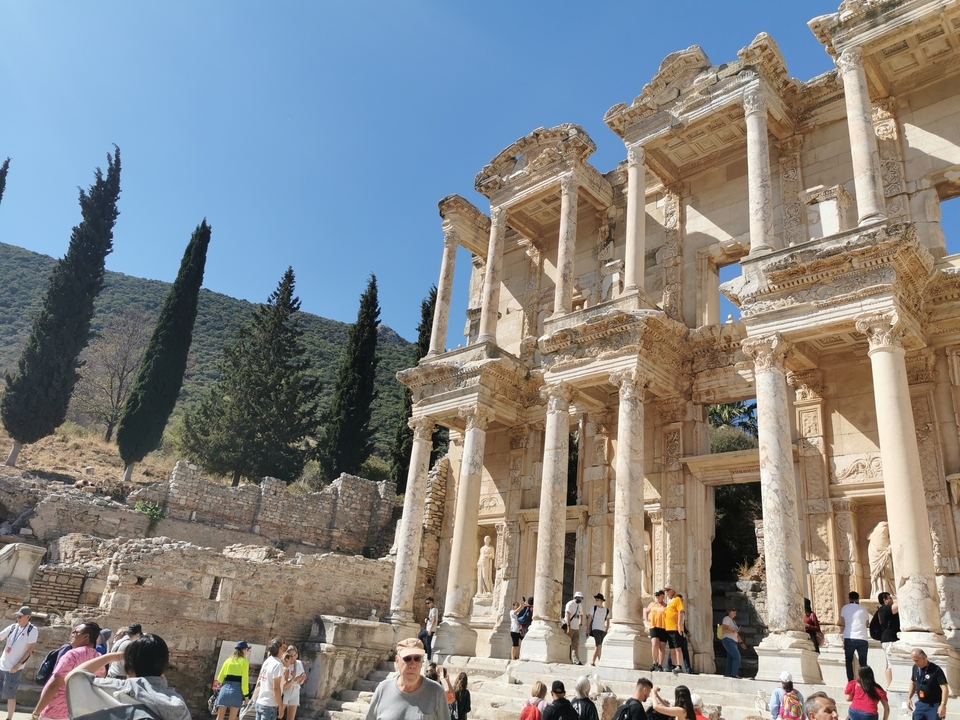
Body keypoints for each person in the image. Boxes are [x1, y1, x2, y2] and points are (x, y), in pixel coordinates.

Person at [66, 632, 190, 720]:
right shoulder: (178, 704)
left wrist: (112, 656)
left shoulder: (115, 689)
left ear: (129, 668)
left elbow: (72, 677)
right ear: (164, 668)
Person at [32, 621, 103, 720]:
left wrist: (36, 712)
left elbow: (54, 685)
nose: (72, 635)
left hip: (54, 710)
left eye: (76, 632)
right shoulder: (98, 658)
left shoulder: (72, 655)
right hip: (76, 710)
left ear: (86, 636)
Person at [365, 638, 448, 720]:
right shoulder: (382, 689)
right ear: (397, 661)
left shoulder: (437, 692)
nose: (412, 664)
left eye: (417, 658)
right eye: (407, 658)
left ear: (422, 661)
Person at [0, 605, 37, 720]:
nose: (18, 619)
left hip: (13, 668)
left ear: (28, 617)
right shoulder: (13, 627)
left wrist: (18, 664)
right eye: (17, 616)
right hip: (2, 665)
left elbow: (30, 650)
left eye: (20, 616)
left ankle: (9, 718)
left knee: (10, 695)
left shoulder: (32, 630)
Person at [214, 640, 251, 720]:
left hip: (224, 690)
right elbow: (245, 680)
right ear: (244, 650)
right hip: (236, 691)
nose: (247, 652)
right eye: (247, 649)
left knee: (219, 717)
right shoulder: (244, 662)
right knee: (232, 718)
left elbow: (220, 678)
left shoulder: (228, 660)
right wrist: (246, 696)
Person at [907, 648, 948, 720]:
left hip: (934, 705)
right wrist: (909, 698)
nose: (915, 662)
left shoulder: (936, 669)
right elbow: (913, 683)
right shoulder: (915, 668)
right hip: (921, 703)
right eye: (913, 660)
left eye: (916, 660)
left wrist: (943, 705)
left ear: (924, 657)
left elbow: (944, 688)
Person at [839, 591, 869, 682]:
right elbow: (867, 624)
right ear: (858, 598)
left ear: (849, 598)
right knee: (863, 662)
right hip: (862, 637)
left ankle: (850, 681)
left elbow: (842, 621)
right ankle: (864, 680)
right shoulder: (863, 609)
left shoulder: (844, 608)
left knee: (848, 661)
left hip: (849, 636)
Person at [255, 637, 287, 720]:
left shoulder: (267, 661)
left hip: (260, 702)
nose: (286, 645)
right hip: (270, 704)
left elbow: (259, 680)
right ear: (280, 648)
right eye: (284, 643)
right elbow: (276, 688)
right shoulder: (278, 664)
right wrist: (280, 706)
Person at [875, 593, 900, 686]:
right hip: (889, 639)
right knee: (890, 663)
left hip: (891, 639)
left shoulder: (884, 609)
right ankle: (890, 685)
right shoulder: (885, 609)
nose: (892, 599)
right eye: (890, 598)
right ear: (885, 600)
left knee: (891, 662)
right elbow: (899, 604)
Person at [663, 585, 685, 674]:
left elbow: (680, 612)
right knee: (672, 648)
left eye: (668, 591)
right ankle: (673, 665)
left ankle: (679, 665)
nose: (666, 593)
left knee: (677, 647)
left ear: (672, 591)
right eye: (665, 591)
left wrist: (679, 625)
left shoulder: (677, 599)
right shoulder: (669, 602)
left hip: (675, 627)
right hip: (668, 628)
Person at [645, 590, 668, 672]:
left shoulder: (666, 606)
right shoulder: (652, 604)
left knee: (662, 647)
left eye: (659, 595)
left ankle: (660, 664)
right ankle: (654, 662)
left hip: (663, 627)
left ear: (663, 596)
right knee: (654, 644)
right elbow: (646, 612)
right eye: (656, 595)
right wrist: (647, 621)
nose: (657, 597)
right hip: (654, 627)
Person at [281, 646, 305, 720]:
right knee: (280, 714)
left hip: (296, 689)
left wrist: (301, 679)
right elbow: (283, 680)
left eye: (295, 655)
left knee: (291, 717)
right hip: (287, 689)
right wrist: (294, 679)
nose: (293, 658)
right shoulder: (285, 663)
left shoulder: (299, 663)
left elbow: (301, 679)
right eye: (291, 656)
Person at [585, 594, 609, 666]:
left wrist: (607, 629)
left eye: (598, 600)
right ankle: (597, 661)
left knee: (599, 645)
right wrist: (587, 629)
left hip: (602, 629)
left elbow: (607, 620)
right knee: (599, 645)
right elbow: (589, 619)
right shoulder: (593, 608)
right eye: (596, 600)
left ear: (602, 601)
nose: (597, 601)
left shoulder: (606, 610)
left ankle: (595, 661)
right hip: (595, 628)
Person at [720, 606, 744, 678]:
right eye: (733, 610)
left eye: (735, 610)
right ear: (728, 611)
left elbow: (736, 634)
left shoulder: (732, 621)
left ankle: (728, 674)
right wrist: (733, 631)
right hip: (728, 640)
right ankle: (734, 673)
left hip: (732, 641)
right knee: (737, 657)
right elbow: (724, 629)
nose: (735, 611)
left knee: (730, 658)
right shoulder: (727, 619)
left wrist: (741, 642)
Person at [564, 592, 585, 666]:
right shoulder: (570, 604)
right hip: (570, 626)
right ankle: (566, 658)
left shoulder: (579, 605)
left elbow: (581, 615)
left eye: (580, 598)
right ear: (575, 597)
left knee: (575, 645)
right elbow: (567, 615)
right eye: (579, 597)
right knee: (567, 644)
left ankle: (576, 660)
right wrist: (568, 626)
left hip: (576, 628)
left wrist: (580, 623)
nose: (580, 599)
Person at [420, 597, 439, 662]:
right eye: (426, 603)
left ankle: (428, 659)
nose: (427, 604)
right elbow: (430, 617)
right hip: (427, 628)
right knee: (420, 636)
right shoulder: (431, 609)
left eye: (428, 603)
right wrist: (427, 618)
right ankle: (426, 650)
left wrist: (430, 630)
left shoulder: (434, 609)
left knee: (428, 643)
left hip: (430, 629)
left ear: (432, 602)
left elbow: (434, 620)